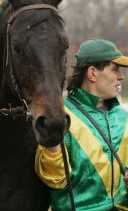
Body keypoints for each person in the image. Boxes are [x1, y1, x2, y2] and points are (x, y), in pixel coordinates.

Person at [35, 39, 128, 210]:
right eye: (115, 69)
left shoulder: (125, 118)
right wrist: (52, 146)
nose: (121, 76)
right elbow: (56, 180)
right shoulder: (60, 117)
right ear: (92, 73)